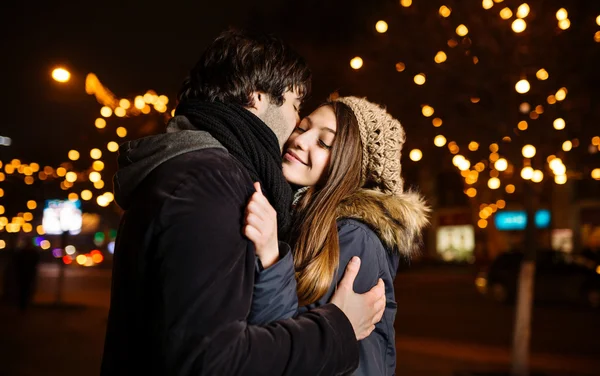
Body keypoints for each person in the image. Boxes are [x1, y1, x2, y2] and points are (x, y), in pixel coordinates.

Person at [101, 30, 387, 376]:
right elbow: (212, 361)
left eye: (325, 142)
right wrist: (336, 330)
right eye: (297, 108)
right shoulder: (212, 182)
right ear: (257, 97)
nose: (297, 128)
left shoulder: (211, 176)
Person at [245, 96, 430, 375]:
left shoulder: (355, 239)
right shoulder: (297, 219)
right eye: (302, 127)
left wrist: (272, 258)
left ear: (350, 165)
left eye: (323, 142)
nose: (300, 140)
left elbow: (293, 353)